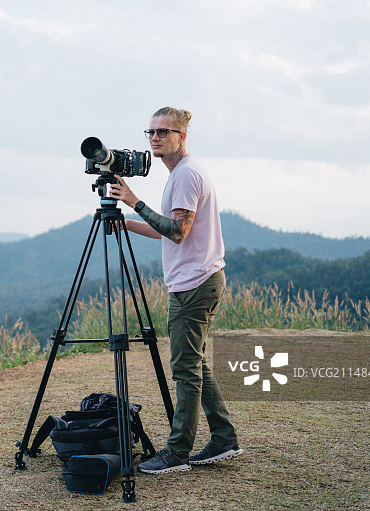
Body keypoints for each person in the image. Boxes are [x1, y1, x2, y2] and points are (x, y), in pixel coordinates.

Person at [109, 106, 242, 474]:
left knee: (185, 368)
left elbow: (178, 232)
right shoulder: (180, 173)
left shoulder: (185, 175)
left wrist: (134, 201)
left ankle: (178, 451)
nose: (155, 137)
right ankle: (224, 438)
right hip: (195, 280)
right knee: (193, 362)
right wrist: (129, 224)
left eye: (163, 132)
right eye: (151, 132)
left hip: (195, 284)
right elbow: (167, 229)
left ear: (181, 136)